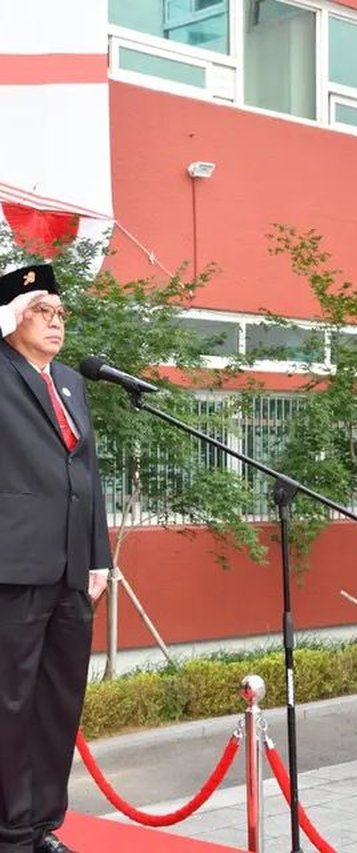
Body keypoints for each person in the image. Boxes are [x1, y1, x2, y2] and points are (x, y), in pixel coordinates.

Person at [0, 263, 112, 853]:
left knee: (58, 699)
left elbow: (86, 475)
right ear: (12, 316)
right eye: (43, 311)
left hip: (71, 568)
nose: (56, 323)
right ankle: (10, 828)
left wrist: (99, 557)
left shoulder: (70, 380)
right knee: (10, 701)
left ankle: (42, 821)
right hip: (13, 567)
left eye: (61, 314)